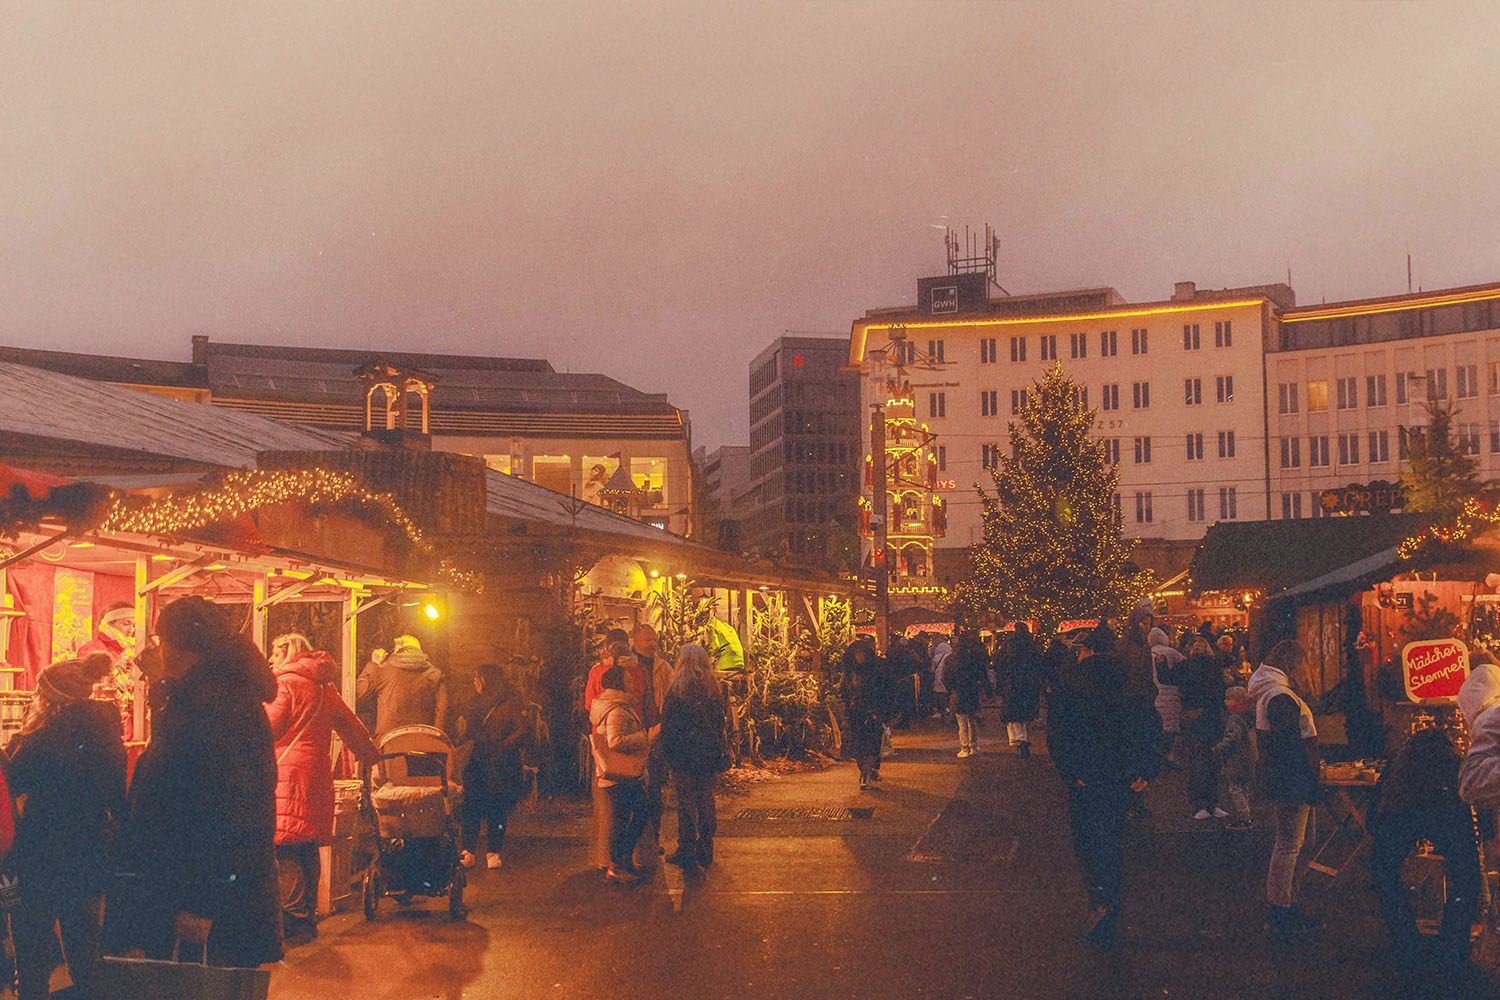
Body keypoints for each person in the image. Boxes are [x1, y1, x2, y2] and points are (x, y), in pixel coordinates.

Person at [107, 595, 282, 968]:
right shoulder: (212, 696)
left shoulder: (214, 705)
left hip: (206, 903)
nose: (157, 649)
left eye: (161, 641)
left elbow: (226, 809)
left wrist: (200, 903)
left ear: (183, 647)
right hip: (208, 895)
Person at [6, 652, 122, 1000]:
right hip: (90, 849)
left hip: (40, 853)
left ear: (50, 698)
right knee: (85, 949)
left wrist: (15, 745)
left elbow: (14, 781)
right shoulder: (106, 732)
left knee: (33, 952)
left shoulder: (43, 737)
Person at [1050, 623, 1159, 949]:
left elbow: (1059, 734)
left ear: (1086, 651)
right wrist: (1146, 769)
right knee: (1111, 838)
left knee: (1088, 841)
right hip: (1122, 773)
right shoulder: (1130, 681)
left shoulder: (1071, 685)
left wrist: (1071, 772)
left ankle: (1100, 900)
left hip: (1087, 775)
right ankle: (1108, 900)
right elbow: (1149, 724)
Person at [265, 633, 379, 939]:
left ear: (287, 653)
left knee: (285, 845)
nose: (270, 660)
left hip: (287, 777)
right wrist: (372, 757)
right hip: (317, 776)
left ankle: (293, 920)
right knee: (307, 847)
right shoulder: (325, 688)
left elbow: (270, 728)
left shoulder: (286, 684)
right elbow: (352, 726)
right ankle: (307, 916)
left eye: (274, 655)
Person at [1370, 718, 1480, 988]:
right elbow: (1470, 794)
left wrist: (1375, 829)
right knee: (1466, 878)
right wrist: (1481, 837)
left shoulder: (1401, 756)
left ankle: (1408, 946)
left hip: (1401, 812)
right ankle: (1452, 950)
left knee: (1383, 870)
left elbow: (1377, 802)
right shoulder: (1452, 756)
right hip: (1445, 811)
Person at [1248, 640, 1325, 937]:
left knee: (1293, 843)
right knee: (1290, 845)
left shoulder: (1272, 694)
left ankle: (1284, 905)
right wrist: (1306, 781)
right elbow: (1289, 745)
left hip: (1285, 779)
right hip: (1292, 780)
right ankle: (1281, 909)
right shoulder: (1281, 696)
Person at [660, 644, 728, 870]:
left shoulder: (677, 689)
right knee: (706, 798)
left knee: (685, 800)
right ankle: (706, 846)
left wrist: (667, 752)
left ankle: (686, 847)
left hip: (683, 753)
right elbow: (720, 722)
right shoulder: (713, 688)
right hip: (707, 752)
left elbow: (669, 725)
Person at [457, 662, 527, 871]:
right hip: (478, 760)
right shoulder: (474, 702)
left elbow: (523, 729)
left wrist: (504, 745)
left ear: (488, 680)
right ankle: (468, 851)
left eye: (478, 677)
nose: (475, 682)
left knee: (497, 806)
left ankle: (493, 852)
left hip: (500, 762)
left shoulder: (510, 701)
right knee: (471, 805)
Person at [590, 662, 653, 884]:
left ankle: (620, 861)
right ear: (619, 684)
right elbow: (614, 741)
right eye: (628, 681)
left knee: (627, 815)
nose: (633, 684)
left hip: (617, 775)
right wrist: (643, 736)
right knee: (630, 815)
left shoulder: (616, 706)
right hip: (620, 774)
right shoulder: (616, 709)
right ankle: (617, 863)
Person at [584, 630, 633, 871]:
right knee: (627, 805)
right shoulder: (631, 672)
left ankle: (605, 856)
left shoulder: (595, 672)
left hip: (600, 746)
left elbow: (588, 703)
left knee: (605, 805)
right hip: (624, 742)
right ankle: (622, 859)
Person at [1115, 603, 1163, 819]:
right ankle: (1128, 801)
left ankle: (1137, 800)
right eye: (1143, 623)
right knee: (1130, 756)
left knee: (1141, 756)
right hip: (1129, 706)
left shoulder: (1144, 646)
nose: (1146, 627)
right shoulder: (1124, 646)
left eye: (1148, 624)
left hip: (1141, 705)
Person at [356, 634, 448, 738]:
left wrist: (373, 664)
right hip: (422, 740)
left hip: (389, 741)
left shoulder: (384, 669)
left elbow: (361, 693)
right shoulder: (435, 674)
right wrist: (434, 740)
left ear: (398, 648)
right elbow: (441, 712)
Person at [1178, 634, 1227, 821]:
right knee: (1211, 760)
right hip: (1211, 716)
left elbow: (1170, 679)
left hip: (1194, 715)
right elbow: (1219, 690)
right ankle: (1212, 803)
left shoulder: (1186, 665)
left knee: (1198, 761)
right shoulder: (1214, 665)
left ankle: (1201, 805)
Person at [840, 640, 890, 788]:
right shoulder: (849, 672)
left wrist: (885, 713)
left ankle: (866, 774)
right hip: (856, 715)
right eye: (857, 654)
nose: (859, 657)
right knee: (859, 746)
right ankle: (865, 771)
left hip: (873, 713)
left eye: (861, 654)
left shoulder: (878, 669)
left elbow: (887, 691)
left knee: (872, 745)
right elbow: (843, 692)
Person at [997, 622, 1045, 758]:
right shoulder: (1032, 645)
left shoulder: (1010, 645)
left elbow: (1002, 664)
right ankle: (1024, 739)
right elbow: (1039, 663)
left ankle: (1018, 739)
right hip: (1028, 683)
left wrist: (1000, 684)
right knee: (1025, 714)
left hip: (1013, 683)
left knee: (1013, 714)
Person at [1213, 686, 1256, 829]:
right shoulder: (1248, 716)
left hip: (1236, 760)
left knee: (1235, 789)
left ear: (1237, 701)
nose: (1225, 702)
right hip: (1247, 758)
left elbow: (1232, 738)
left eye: (1229, 699)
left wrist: (1217, 748)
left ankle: (1243, 818)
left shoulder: (1234, 718)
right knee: (1244, 789)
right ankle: (1247, 815)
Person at [944, 631, 989, 758]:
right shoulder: (975, 658)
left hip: (958, 692)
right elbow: (982, 675)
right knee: (971, 720)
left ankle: (964, 747)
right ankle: (973, 745)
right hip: (972, 691)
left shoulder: (951, 659)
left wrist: (951, 689)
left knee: (961, 721)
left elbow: (946, 677)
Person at [1149, 627, 1184, 767]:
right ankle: (1168, 756)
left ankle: (1158, 757)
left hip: (1154, 693)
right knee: (1170, 726)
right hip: (1170, 693)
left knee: (1158, 726)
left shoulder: (1146, 653)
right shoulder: (1172, 653)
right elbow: (1184, 666)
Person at [930, 634, 952, 720]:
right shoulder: (950, 657)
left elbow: (932, 670)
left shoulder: (936, 657)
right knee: (947, 694)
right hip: (947, 677)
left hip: (938, 678)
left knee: (939, 695)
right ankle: (947, 709)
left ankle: (941, 711)